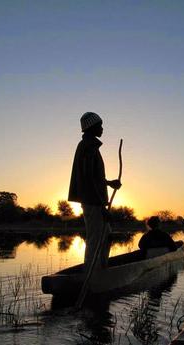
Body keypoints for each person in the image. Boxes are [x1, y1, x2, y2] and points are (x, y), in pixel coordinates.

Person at [68, 112, 121, 271]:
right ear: (92, 127)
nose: (102, 128)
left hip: (93, 201)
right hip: (93, 202)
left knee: (106, 236)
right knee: (96, 239)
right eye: (100, 125)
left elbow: (93, 176)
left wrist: (109, 182)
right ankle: (92, 273)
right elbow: (88, 177)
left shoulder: (89, 145)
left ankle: (100, 269)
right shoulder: (88, 146)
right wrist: (102, 207)